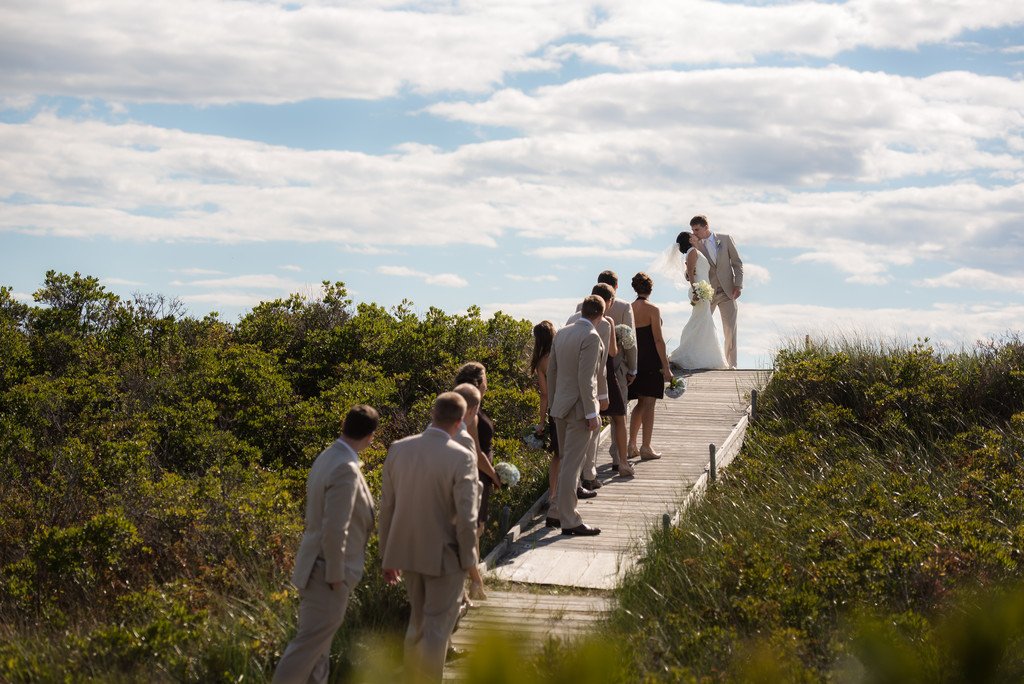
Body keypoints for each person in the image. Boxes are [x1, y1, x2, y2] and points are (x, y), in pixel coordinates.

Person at [273, 405, 380, 684]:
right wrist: (336, 576)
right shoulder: (346, 467)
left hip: (316, 567)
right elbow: (335, 527)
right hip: (327, 572)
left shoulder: (328, 456)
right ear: (371, 436)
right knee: (305, 650)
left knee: (318, 654)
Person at [379, 393, 480, 683]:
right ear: (460, 421)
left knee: (418, 623)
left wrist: (387, 555)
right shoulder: (461, 457)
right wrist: (470, 563)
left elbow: (387, 506)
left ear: (433, 414)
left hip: (406, 552)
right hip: (445, 555)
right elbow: (467, 516)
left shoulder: (399, 449)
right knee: (437, 627)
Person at [547, 294, 606, 536]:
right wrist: (592, 412)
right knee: (573, 465)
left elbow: (552, 371)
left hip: (559, 406)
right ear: (600, 315)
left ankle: (555, 512)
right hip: (580, 408)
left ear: (583, 312)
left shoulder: (561, 332)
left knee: (565, 462)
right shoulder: (591, 336)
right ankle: (570, 520)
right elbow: (587, 378)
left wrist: (553, 404)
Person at [566, 283, 634, 485]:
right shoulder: (607, 322)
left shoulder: (572, 319)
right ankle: (618, 463)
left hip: (571, 382)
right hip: (600, 379)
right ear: (609, 301)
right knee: (615, 419)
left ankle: (581, 476)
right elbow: (610, 353)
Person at [452, 361, 500, 601]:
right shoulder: (471, 413)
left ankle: (474, 585)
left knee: (476, 531)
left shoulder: (465, 406)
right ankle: (472, 583)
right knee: (473, 531)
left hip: (478, 472)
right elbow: (476, 451)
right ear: (479, 382)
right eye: (486, 377)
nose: (487, 382)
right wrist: (494, 475)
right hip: (476, 473)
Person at [627, 273, 673, 460]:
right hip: (651, 362)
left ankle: (631, 445)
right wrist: (666, 367)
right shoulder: (653, 309)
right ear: (650, 289)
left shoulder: (629, 309)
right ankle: (646, 446)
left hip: (635, 361)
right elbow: (658, 340)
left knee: (639, 403)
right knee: (649, 404)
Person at [668, 231, 730, 370]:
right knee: (702, 320)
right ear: (690, 239)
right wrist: (696, 289)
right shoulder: (692, 252)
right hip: (699, 290)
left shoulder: (693, 251)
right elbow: (690, 272)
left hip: (703, 289)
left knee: (701, 321)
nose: (695, 235)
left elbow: (689, 273)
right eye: (692, 234)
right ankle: (687, 353)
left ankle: (698, 353)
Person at [690, 215, 743, 368]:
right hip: (707, 293)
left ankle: (732, 365)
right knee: (700, 326)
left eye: (697, 229)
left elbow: (737, 264)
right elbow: (690, 270)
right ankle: (697, 360)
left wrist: (738, 285)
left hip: (728, 291)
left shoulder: (725, 239)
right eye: (692, 230)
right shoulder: (694, 245)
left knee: (730, 330)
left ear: (706, 227)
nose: (694, 232)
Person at [530, 321, 561, 517]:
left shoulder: (540, 362)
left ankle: (552, 494)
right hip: (570, 406)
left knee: (558, 454)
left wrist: (541, 422)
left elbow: (544, 395)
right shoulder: (560, 354)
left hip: (554, 411)